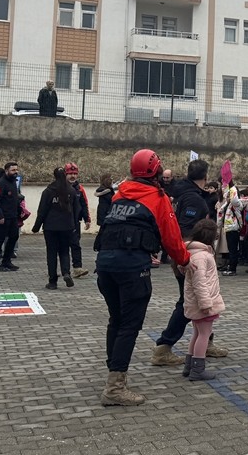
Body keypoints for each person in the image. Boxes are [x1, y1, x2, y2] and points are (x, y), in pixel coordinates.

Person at [94, 149, 191, 406]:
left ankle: (113, 373)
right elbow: (171, 237)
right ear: (157, 171)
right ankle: (114, 387)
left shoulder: (120, 194)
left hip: (104, 266)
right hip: (132, 268)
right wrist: (186, 261)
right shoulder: (158, 198)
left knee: (116, 320)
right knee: (129, 325)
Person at [151, 159, 217, 368]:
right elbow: (185, 228)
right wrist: (193, 253)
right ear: (205, 177)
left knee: (199, 299)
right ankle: (164, 346)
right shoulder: (193, 199)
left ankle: (206, 341)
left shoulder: (182, 192)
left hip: (184, 253)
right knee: (189, 302)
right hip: (188, 257)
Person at [182, 218, 225, 381]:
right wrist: (206, 303)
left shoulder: (194, 252)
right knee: (204, 334)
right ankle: (198, 369)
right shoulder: (202, 256)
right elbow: (200, 283)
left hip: (196, 302)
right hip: (202, 303)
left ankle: (189, 366)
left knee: (197, 333)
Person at [31, 167, 83, 290]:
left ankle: (52, 281)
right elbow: (77, 210)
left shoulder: (48, 191)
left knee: (52, 253)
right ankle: (66, 273)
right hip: (67, 226)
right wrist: (74, 225)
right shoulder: (71, 191)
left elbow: (42, 211)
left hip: (51, 227)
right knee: (64, 251)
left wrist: (36, 227)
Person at [0, 163, 22, 271]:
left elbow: (15, 199)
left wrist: (20, 211)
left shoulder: (13, 183)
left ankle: (6, 261)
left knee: (14, 237)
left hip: (12, 216)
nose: (15, 172)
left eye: (16, 170)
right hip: (2, 217)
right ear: (6, 171)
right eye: (13, 170)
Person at [63, 163, 92, 279]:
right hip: (62, 223)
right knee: (62, 247)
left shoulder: (80, 189)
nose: (73, 176)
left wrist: (87, 219)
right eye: (70, 174)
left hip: (75, 222)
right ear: (65, 174)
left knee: (76, 245)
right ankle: (63, 269)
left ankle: (77, 268)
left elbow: (84, 204)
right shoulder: (59, 187)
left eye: (75, 174)